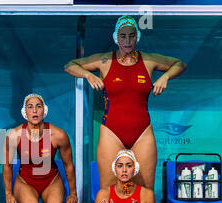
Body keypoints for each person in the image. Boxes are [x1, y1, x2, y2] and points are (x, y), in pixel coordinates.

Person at [64, 15, 186, 190]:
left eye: (131, 36)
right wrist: (88, 75)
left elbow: (179, 64)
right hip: (111, 132)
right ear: (116, 37)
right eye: (123, 36)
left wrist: (165, 77)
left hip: (142, 133)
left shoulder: (149, 60)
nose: (127, 41)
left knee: (145, 193)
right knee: (108, 191)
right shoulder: (105, 60)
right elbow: (70, 65)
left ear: (137, 37)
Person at [3, 93, 78, 203]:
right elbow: (6, 166)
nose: (34, 110)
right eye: (30, 106)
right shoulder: (14, 136)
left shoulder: (58, 135)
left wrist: (73, 192)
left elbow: (68, 166)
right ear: (24, 112)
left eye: (38, 107)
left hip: (51, 180)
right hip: (25, 181)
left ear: (44, 111)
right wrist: (8, 192)